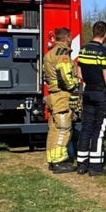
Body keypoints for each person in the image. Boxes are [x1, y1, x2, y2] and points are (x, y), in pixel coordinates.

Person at [75, 21, 106, 176]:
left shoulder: (83, 50)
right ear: (105, 34)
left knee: (86, 127)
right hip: (100, 93)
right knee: (99, 128)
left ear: (93, 32)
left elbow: (79, 74)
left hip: (87, 92)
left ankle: (81, 164)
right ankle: (95, 166)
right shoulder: (103, 52)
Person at [43, 28, 77, 172]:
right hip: (62, 96)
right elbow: (65, 76)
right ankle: (59, 161)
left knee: (54, 129)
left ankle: (52, 159)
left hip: (53, 95)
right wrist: (74, 86)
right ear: (68, 38)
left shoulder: (50, 53)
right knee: (63, 128)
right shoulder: (62, 55)